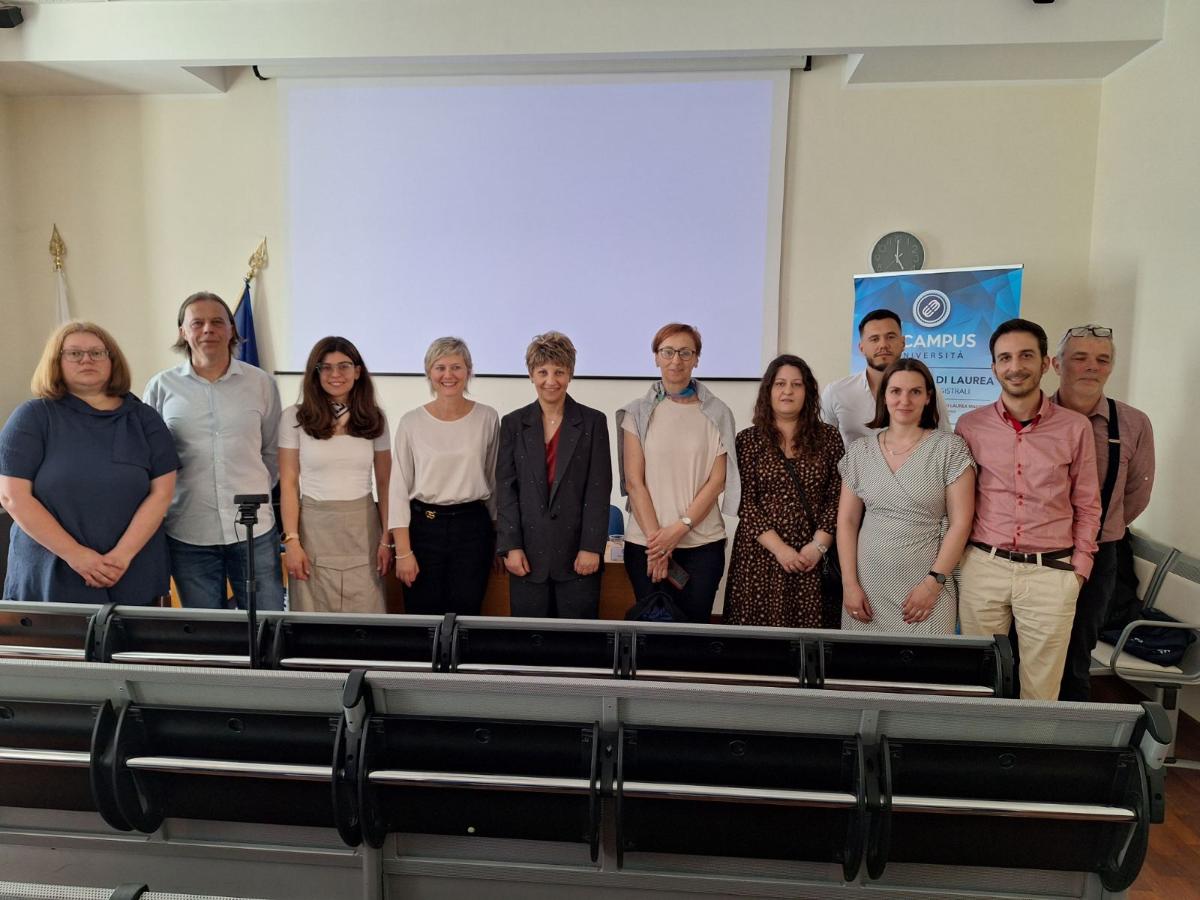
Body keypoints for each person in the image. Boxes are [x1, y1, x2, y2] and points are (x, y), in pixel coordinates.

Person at [955, 318, 1101, 701]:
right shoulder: (970, 426)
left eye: (1025, 356)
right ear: (993, 367)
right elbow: (958, 501)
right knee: (979, 679)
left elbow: (1088, 503)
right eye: (1005, 358)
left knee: (1041, 688)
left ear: (1045, 363)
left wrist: (1079, 568)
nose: (1015, 366)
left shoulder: (1075, 428)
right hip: (984, 566)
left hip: (1050, 572)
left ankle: (1030, 741)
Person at [0, 322, 179, 604]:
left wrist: (121, 557)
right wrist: (76, 555)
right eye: (74, 353)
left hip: (131, 570)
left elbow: (162, 493)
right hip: (51, 573)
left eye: (97, 353)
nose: (87, 360)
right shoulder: (32, 417)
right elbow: (13, 497)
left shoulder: (145, 419)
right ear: (56, 362)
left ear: (112, 360)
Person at [143, 291, 285, 611]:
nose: (208, 329)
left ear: (232, 330)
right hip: (189, 531)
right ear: (183, 332)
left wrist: (253, 488)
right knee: (206, 632)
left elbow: (272, 452)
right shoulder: (161, 388)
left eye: (218, 322)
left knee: (268, 624)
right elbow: (151, 459)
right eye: (198, 323)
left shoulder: (261, 384)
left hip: (254, 530)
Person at [1051, 324, 1155, 701]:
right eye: (1080, 357)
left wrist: (1098, 530)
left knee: (1077, 653)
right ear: (1056, 364)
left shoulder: (1133, 423)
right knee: (1019, 648)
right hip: (1038, 553)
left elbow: (1136, 494)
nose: (1092, 366)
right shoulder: (1035, 416)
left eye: (1102, 359)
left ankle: (1070, 731)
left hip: (1099, 554)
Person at [837, 359, 975, 634]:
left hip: (928, 590)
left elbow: (961, 523)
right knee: (861, 660)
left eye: (915, 392)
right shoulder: (860, 451)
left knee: (927, 660)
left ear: (928, 397)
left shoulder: (949, 448)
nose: (905, 400)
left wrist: (933, 583)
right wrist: (849, 584)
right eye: (896, 391)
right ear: (884, 396)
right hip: (866, 589)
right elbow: (847, 522)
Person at [616, 323, 738, 624]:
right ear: (656, 357)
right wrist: (658, 546)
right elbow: (635, 482)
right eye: (668, 352)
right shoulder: (636, 413)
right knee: (650, 637)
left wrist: (678, 530)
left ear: (696, 359)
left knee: (692, 635)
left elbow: (717, 482)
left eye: (685, 352)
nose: (676, 360)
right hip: (646, 545)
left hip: (702, 546)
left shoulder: (718, 413)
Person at [496, 332, 612, 618]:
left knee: (576, 641)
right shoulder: (513, 424)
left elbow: (598, 490)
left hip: (578, 557)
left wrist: (591, 547)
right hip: (526, 557)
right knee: (530, 640)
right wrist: (511, 546)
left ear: (570, 374)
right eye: (542, 372)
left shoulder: (593, 422)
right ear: (531, 375)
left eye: (559, 372)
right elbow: (506, 490)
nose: (551, 380)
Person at [723, 354, 843, 628]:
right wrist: (780, 550)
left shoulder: (829, 438)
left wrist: (818, 546)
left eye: (796, 384)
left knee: (809, 638)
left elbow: (838, 497)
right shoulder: (748, 440)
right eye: (780, 384)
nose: (788, 391)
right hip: (759, 556)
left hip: (812, 555)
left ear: (808, 391)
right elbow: (744, 502)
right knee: (756, 639)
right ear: (768, 391)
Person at [278, 337, 392, 614]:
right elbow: (289, 483)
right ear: (315, 373)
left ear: (357, 371)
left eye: (344, 366)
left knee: (366, 621)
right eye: (326, 367)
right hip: (314, 530)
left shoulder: (375, 418)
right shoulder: (294, 417)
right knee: (313, 620)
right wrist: (291, 541)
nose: (335, 374)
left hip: (363, 530)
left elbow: (386, 483)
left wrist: (386, 539)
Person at [388, 337, 499, 615]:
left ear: (468, 371)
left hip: (473, 530)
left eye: (456, 367)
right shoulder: (411, 422)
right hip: (424, 530)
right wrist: (403, 552)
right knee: (423, 619)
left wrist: (500, 540)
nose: (448, 375)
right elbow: (398, 490)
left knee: (467, 615)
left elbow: (494, 481)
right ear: (429, 372)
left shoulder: (487, 418)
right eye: (440, 367)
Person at [821, 308, 951, 448]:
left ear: (903, 343)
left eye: (890, 337)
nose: (883, 345)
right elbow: (821, 446)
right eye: (874, 339)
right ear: (861, 347)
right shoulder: (836, 392)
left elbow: (945, 441)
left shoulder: (926, 391)